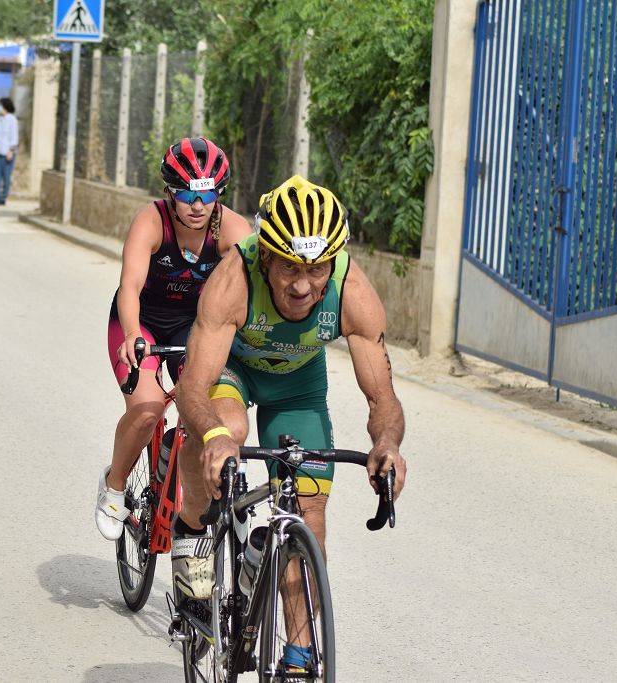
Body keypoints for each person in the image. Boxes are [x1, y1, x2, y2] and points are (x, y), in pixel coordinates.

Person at [173, 175, 407, 667]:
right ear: (265, 258)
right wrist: (213, 436)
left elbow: (382, 397)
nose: (303, 285)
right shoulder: (234, 280)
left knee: (310, 517)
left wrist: (386, 444)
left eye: (317, 269)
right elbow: (192, 387)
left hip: (297, 384)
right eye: (288, 268)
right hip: (233, 372)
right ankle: (191, 531)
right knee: (227, 433)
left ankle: (299, 655)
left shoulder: (352, 292)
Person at [94, 137, 253, 541]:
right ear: (170, 194)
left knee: (206, 408)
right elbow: (129, 286)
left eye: (207, 195)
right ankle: (113, 487)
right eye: (186, 195)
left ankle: (218, 488)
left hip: (195, 328)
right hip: (141, 322)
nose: (197, 206)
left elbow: (251, 295)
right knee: (148, 409)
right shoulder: (151, 222)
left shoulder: (233, 230)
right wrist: (131, 334)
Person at [0, 97, 18, 205]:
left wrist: (11, 150)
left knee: (6, 175)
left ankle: (3, 197)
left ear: (5, 106)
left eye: (0, 105)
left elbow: (14, 137)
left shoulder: (12, 119)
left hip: (7, 152)